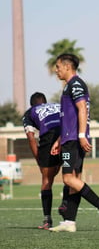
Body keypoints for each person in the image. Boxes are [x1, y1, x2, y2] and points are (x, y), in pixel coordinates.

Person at [49, 53, 99, 232]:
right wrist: (59, 140)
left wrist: (81, 135)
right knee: (73, 180)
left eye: (58, 66)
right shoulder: (69, 86)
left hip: (74, 139)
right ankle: (70, 222)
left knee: (68, 178)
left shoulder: (76, 84)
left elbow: (81, 110)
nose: (56, 70)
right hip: (68, 138)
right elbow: (68, 118)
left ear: (67, 66)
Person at [22, 92, 62, 229]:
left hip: (49, 138)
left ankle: (47, 220)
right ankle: (66, 207)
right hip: (67, 136)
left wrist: (39, 159)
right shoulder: (58, 105)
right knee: (71, 176)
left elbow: (31, 138)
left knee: (46, 180)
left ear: (32, 104)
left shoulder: (30, 112)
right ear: (45, 101)